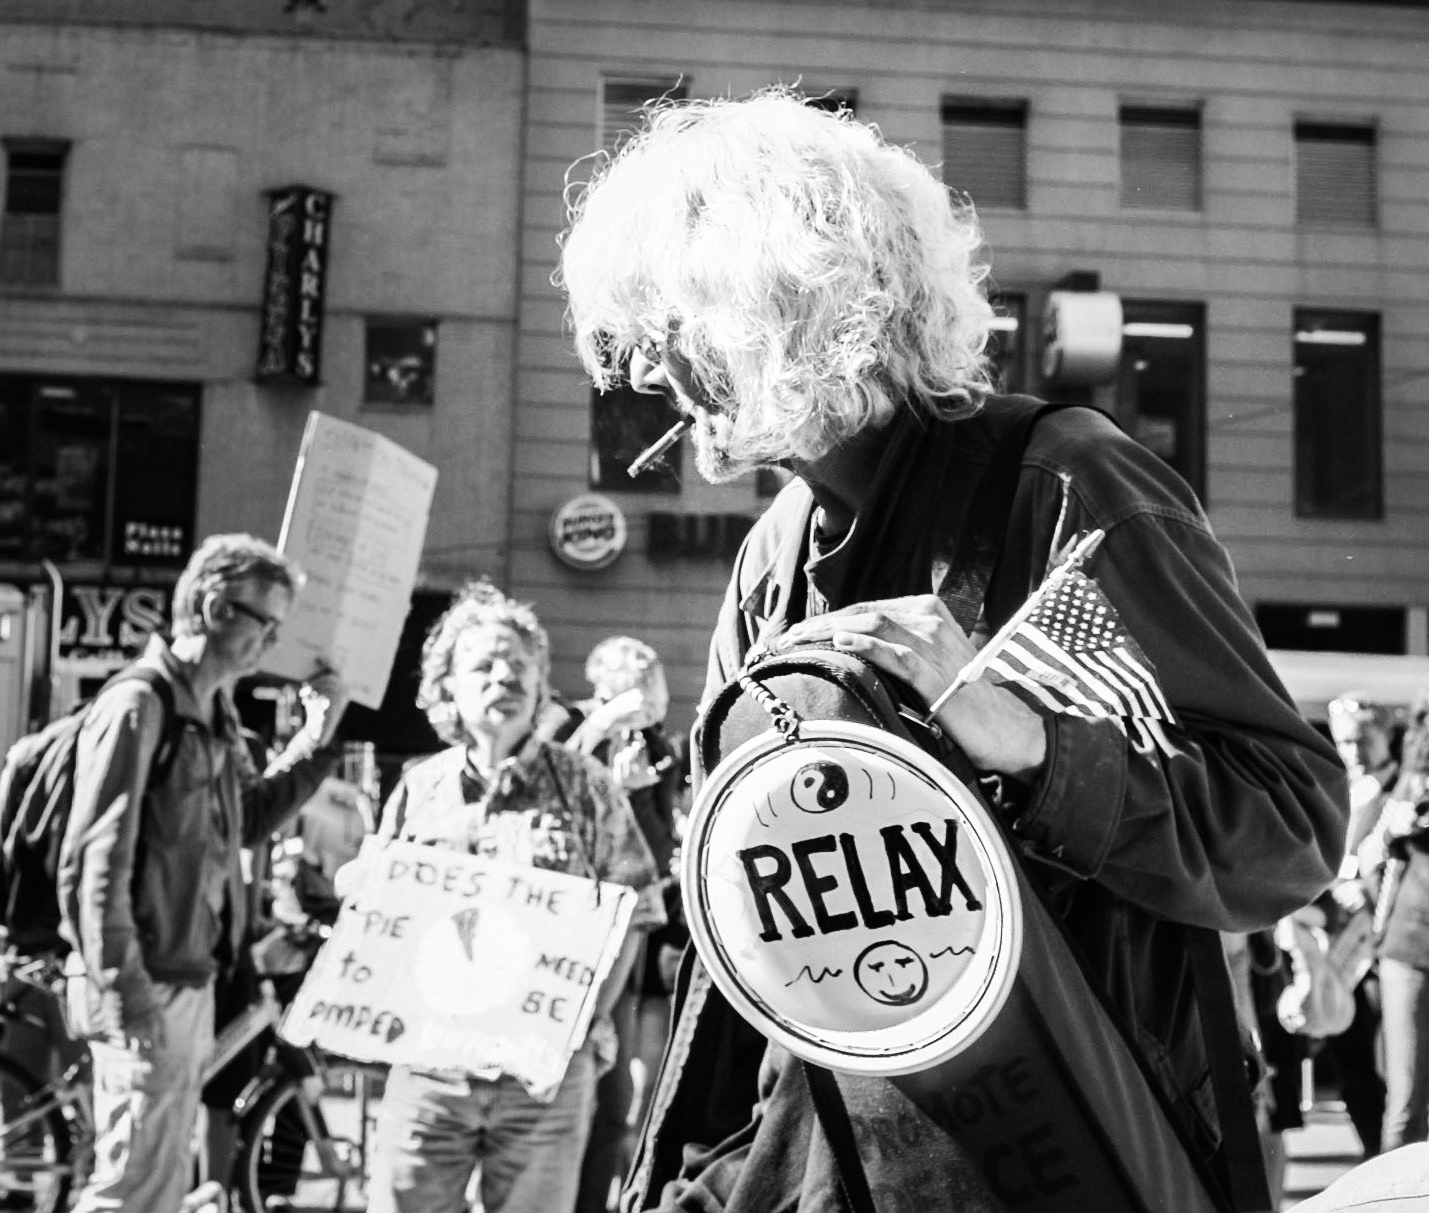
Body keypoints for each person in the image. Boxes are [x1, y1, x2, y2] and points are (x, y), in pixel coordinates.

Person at [557, 90, 1346, 1211]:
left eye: (662, 327)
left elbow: (1290, 827)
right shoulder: (774, 551)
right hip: (834, 1164)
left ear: (774, 301)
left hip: (1068, 1150)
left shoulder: (1067, 480)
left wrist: (1034, 752)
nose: (641, 374)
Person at [56, 533, 349, 1213]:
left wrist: (317, 731)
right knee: (129, 1187)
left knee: (155, 1183)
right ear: (215, 606)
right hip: (144, 979)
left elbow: (247, 817)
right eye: (263, 622)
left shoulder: (212, 709)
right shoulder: (140, 705)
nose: (270, 642)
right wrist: (124, 987)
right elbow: (93, 862)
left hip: (182, 975)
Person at [359, 582, 665, 1213]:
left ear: (541, 681)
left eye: (521, 666)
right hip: (429, 1073)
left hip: (543, 1080)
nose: (506, 677)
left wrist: (583, 1031)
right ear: (448, 688)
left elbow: (634, 909)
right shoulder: (420, 789)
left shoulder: (586, 787)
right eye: (485, 666)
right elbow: (380, 911)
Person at [559, 637, 684, 1213]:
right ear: (604, 686)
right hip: (567, 934)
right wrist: (603, 745)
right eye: (636, 697)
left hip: (629, 932)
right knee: (557, 1095)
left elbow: (654, 844)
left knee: (615, 1098)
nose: (644, 713)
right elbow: (548, 798)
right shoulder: (568, 724)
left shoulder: (655, 745)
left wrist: (636, 794)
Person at [1317, 692, 1402, 1158]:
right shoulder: (1337, 791)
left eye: (1362, 740)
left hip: (1391, 946)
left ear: (1386, 735)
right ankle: (1374, 1155)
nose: (1352, 752)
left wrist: (1368, 886)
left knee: (1400, 1067)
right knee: (1351, 1063)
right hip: (1338, 948)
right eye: (1344, 743)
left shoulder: (1407, 792)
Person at [1368, 693, 1429, 1151]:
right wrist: (1395, 830)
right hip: (1408, 949)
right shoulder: (1415, 777)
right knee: (1405, 1101)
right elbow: (1374, 855)